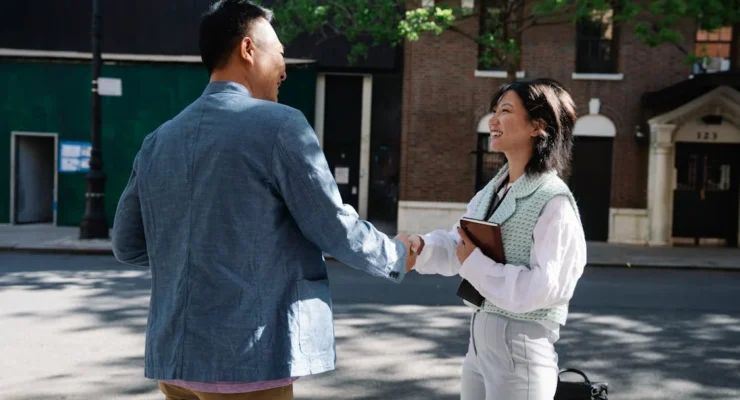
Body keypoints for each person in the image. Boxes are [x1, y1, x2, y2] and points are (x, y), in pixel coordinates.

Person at [111, 1, 415, 399]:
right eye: (281, 54)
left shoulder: (159, 139)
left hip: (173, 359)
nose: (285, 69)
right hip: (247, 358)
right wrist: (396, 254)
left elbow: (127, 244)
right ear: (248, 49)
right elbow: (333, 227)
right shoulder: (280, 125)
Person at [407, 78, 587, 400]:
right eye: (494, 111)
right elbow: (459, 244)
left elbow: (545, 288)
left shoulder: (553, 201)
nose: (493, 121)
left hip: (522, 352)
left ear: (538, 125)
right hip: (479, 345)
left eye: (505, 110)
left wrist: (475, 265)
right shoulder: (492, 191)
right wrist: (421, 248)